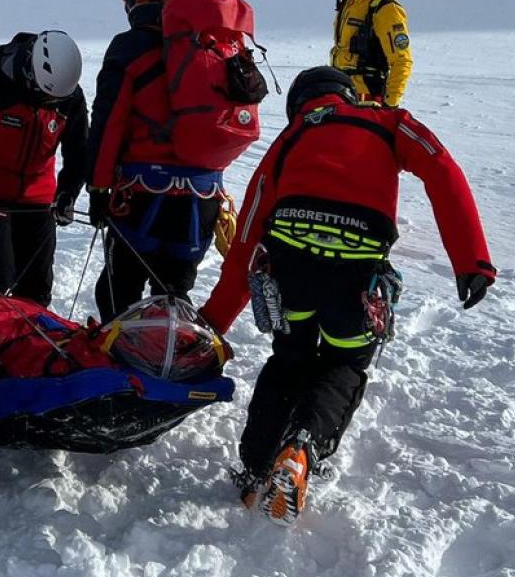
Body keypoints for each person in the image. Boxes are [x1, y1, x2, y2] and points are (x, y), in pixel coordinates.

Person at [200, 66, 497, 524]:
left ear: (300, 103)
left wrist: (214, 323)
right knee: (344, 362)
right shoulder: (390, 122)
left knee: (289, 358)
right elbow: (442, 168)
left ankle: (254, 469)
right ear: (348, 95)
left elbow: (249, 232)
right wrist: (471, 261)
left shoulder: (293, 136)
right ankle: (302, 447)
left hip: (291, 262)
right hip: (356, 270)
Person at [84, 0, 226, 324]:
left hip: (141, 192)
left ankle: (119, 369)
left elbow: (109, 119)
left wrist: (98, 187)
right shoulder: (210, 43)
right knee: (174, 292)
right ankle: (167, 364)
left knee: (120, 289)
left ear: (133, 0)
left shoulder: (129, 46)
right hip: (202, 194)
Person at [0, 30, 89, 306]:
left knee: (37, 288)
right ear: (30, 73)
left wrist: (68, 193)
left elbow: (79, 151)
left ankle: (27, 345)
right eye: (44, 94)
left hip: (38, 201)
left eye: (54, 99)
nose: (49, 103)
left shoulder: (70, 97)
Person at [330, 0, 412, 106]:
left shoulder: (386, 10)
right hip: (342, 93)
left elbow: (401, 61)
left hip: (368, 99)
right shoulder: (350, 3)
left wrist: (391, 103)